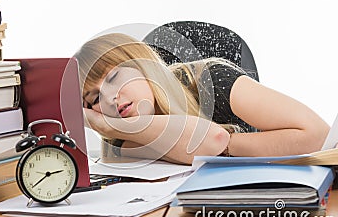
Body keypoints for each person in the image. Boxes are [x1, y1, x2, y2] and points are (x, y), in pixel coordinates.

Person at [74, 33, 330, 165]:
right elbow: (207, 142)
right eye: (94, 98)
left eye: (114, 77)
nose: (110, 98)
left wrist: (229, 143)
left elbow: (318, 135)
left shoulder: (212, 79)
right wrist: (107, 126)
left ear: (143, 63)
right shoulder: (119, 138)